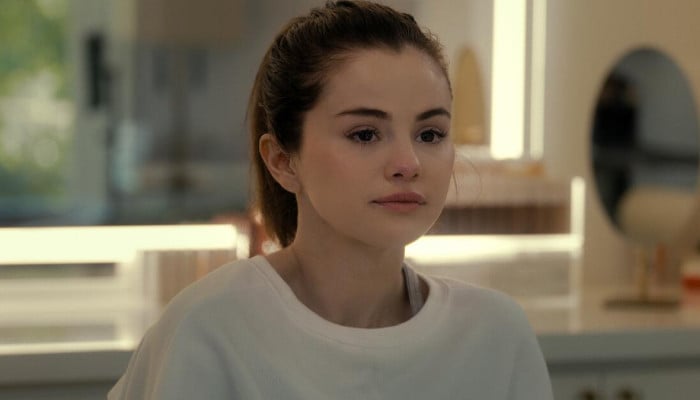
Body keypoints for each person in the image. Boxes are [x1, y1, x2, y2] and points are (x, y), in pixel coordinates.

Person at [108, 1, 553, 399]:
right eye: (365, 134)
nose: (408, 162)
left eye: (430, 134)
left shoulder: (494, 335)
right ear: (282, 161)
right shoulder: (210, 330)